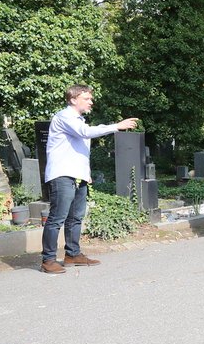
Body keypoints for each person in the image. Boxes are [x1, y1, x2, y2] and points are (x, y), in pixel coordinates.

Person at [40, 84, 139, 274]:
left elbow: (78, 149)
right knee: (57, 218)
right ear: (73, 99)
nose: (91, 101)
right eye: (87, 98)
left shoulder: (79, 120)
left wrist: (86, 173)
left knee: (76, 217)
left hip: (78, 174)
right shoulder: (64, 117)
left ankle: (72, 254)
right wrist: (117, 126)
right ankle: (48, 260)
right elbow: (85, 133)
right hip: (62, 174)